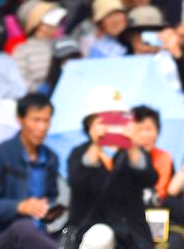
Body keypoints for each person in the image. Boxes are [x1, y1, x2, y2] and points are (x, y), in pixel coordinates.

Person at [64, 85, 158, 249]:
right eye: (105, 119)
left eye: (118, 117)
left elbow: (149, 178)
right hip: (90, 231)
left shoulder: (132, 152)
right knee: (100, 236)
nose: (112, 124)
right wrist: (96, 144)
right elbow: (77, 183)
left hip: (131, 234)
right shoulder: (79, 152)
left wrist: (132, 145)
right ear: (90, 122)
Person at [0, 93, 64, 249]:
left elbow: (51, 196)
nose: (41, 127)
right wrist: (19, 206)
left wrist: (50, 209)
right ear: (20, 119)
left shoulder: (51, 158)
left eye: (46, 121)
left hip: (40, 234)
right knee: (23, 228)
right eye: (36, 120)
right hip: (2, 237)